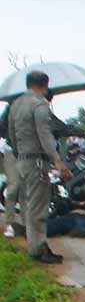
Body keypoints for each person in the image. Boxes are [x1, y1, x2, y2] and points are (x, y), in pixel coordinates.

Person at [8, 71, 72, 264]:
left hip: (22, 161)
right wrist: (57, 161)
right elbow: (45, 135)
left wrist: (20, 154)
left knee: (27, 206)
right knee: (39, 208)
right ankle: (39, 248)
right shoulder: (40, 104)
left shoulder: (15, 105)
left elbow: (11, 135)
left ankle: (33, 246)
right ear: (45, 85)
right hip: (37, 161)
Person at [0, 101, 21, 237]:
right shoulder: (10, 108)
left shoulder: (40, 106)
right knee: (13, 187)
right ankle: (9, 223)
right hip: (11, 151)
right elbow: (1, 127)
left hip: (32, 152)